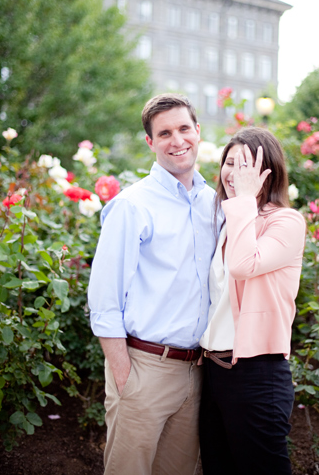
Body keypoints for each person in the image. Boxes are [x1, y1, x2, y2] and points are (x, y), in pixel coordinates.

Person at [87, 94, 216, 474]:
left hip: (196, 371)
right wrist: (124, 374)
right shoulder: (133, 205)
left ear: (197, 132)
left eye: (183, 129)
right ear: (151, 142)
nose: (177, 140)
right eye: (164, 133)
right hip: (144, 367)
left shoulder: (213, 203)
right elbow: (104, 298)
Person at [198, 127, 306, 474]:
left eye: (246, 165)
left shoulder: (286, 222)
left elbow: (245, 266)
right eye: (229, 163)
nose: (235, 173)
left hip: (257, 373)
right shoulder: (229, 222)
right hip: (215, 372)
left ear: (266, 172)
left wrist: (244, 200)